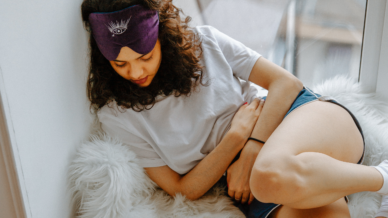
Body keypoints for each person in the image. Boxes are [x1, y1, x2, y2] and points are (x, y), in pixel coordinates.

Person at [80, 0, 388, 217]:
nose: (135, 72)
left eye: (145, 56)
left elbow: (285, 84)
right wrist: (235, 139)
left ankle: (382, 178)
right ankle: (343, 185)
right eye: (120, 63)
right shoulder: (117, 114)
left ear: (161, 35)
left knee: (268, 174)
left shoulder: (205, 42)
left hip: (297, 120)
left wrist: (253, 146)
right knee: (270, 181)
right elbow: (180, 188)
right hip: (253, 189)